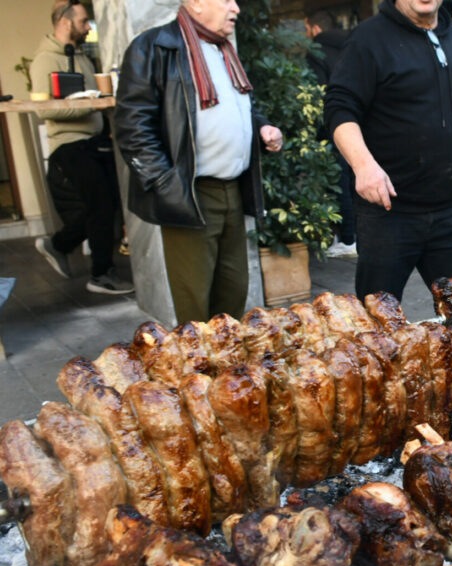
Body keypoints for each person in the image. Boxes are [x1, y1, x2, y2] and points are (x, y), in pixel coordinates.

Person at [114, 0, 284, 324]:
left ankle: (229, 373)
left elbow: (240, 107)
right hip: (190, 194)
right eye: (226, 0)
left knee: (232, 297)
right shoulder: (154, 47)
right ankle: (198, 373)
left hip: (232, 190)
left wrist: (261, 126)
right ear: (196, 3)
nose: (236, 8)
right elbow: (131, 127)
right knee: (195, 308)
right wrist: (166, 185)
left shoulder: (224, 50)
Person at [324, 0, 452, 302]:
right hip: (389, 212)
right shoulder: (369, 38)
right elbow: (339, 109)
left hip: (450, 209)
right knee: (379, 323)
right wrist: (362, 166)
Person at [31, 0, 134, 295]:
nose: (88, 27)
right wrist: (87, 107)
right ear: (65, 22)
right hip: (70, 144)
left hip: (95, 142)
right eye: (83, 21)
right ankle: (101, 274)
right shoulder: (44, 60)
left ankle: (59, 244)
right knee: (100, 206)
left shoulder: (81, 57)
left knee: (108, 206)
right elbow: (43, 111)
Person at [305, 7, 357, 259]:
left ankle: (348, 239)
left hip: (334, 125)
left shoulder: (316, 52)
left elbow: (319, 92)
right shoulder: (351, 45)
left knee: (340, 181)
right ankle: (356, 236)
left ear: (315, 28)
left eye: (307, 30)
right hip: (360, 123)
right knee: (357, 177)